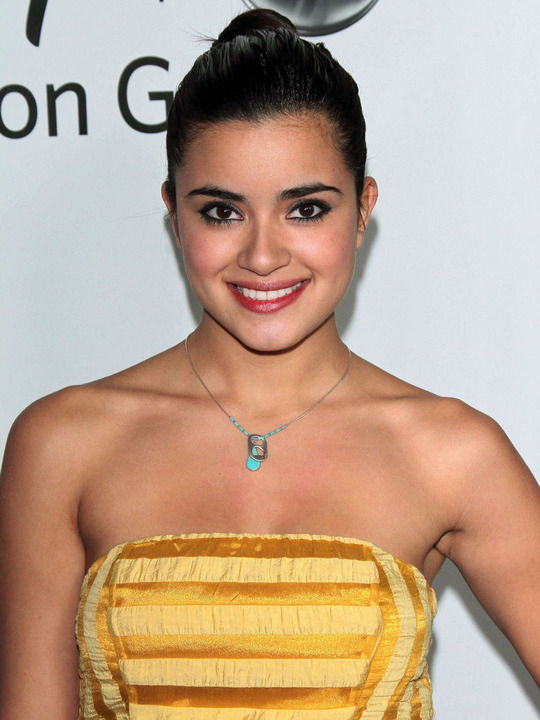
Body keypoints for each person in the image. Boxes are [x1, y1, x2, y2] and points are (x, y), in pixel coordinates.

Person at [0, 8, 538, 719]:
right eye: (222, 212)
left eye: (305, 209)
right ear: (173, 213)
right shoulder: (63, 444)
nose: (261, 255)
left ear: (363, 208)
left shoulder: (452, 454)